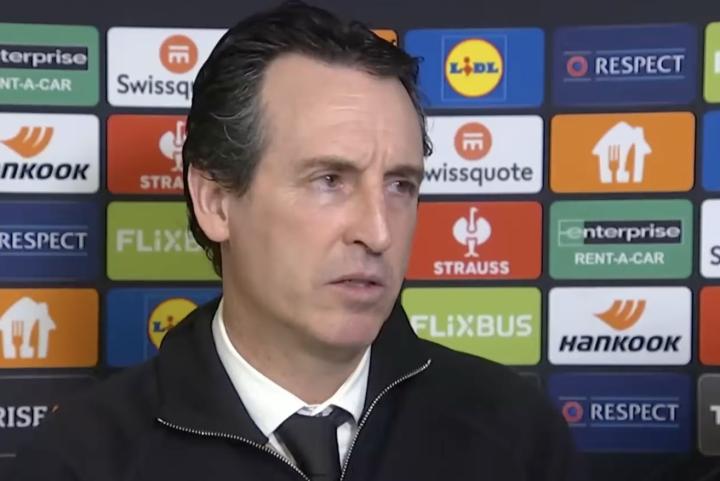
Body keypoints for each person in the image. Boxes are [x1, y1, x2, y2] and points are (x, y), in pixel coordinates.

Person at [10, 2, 585, 480]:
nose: (378, 232)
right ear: (216, 201)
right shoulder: (81, 461)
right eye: (329, 180)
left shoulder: (516, 434)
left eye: (400, 185)